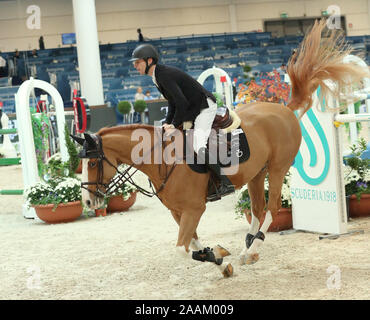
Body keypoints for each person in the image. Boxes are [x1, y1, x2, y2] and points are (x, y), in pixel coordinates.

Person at [129, 44, 235, 200]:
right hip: (193, 109)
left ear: (149, 60)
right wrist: (167, 122)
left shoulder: (163, 74)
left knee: (198, 145)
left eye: (137, 62)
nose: (135, 66)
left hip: (204, 107)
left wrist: (174, 123)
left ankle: (226, 183)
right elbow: (172, 102)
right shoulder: (157, 76)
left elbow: (182, 102)